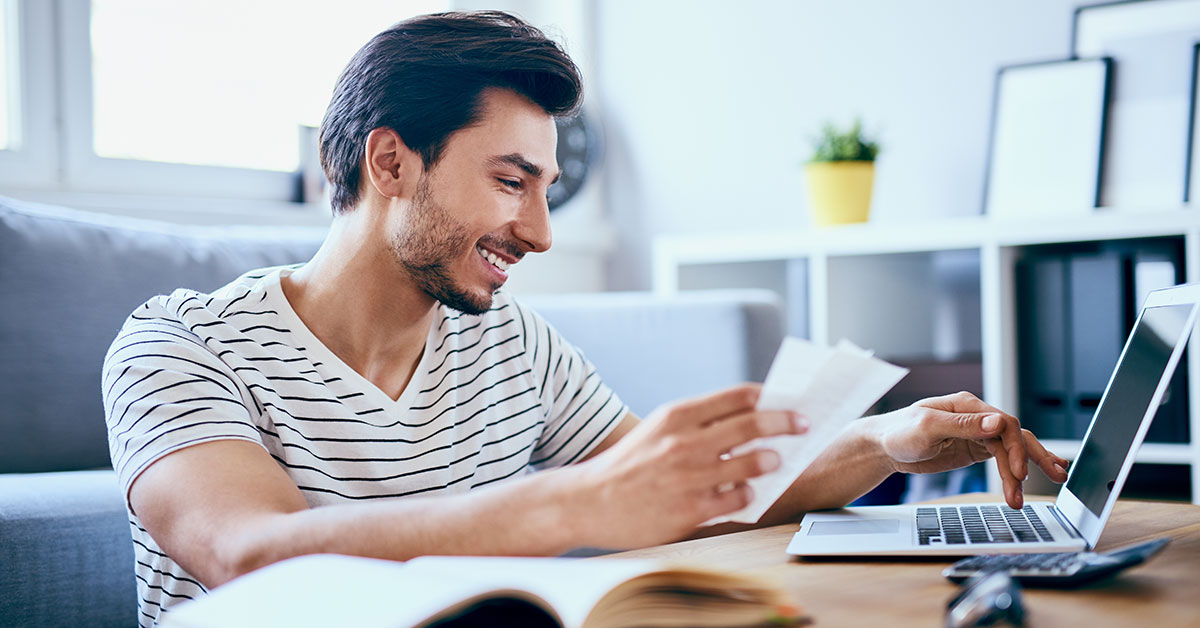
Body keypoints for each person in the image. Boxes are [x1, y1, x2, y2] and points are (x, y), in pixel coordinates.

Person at [102, 11, 1068, 627]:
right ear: (388, 162)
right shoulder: (179, 343)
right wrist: (574, 503)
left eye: (549, 188)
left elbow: (694, 492)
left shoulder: (508, 341)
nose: (541, 232)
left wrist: (885, 443)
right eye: (511, 181)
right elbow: (241, 554)